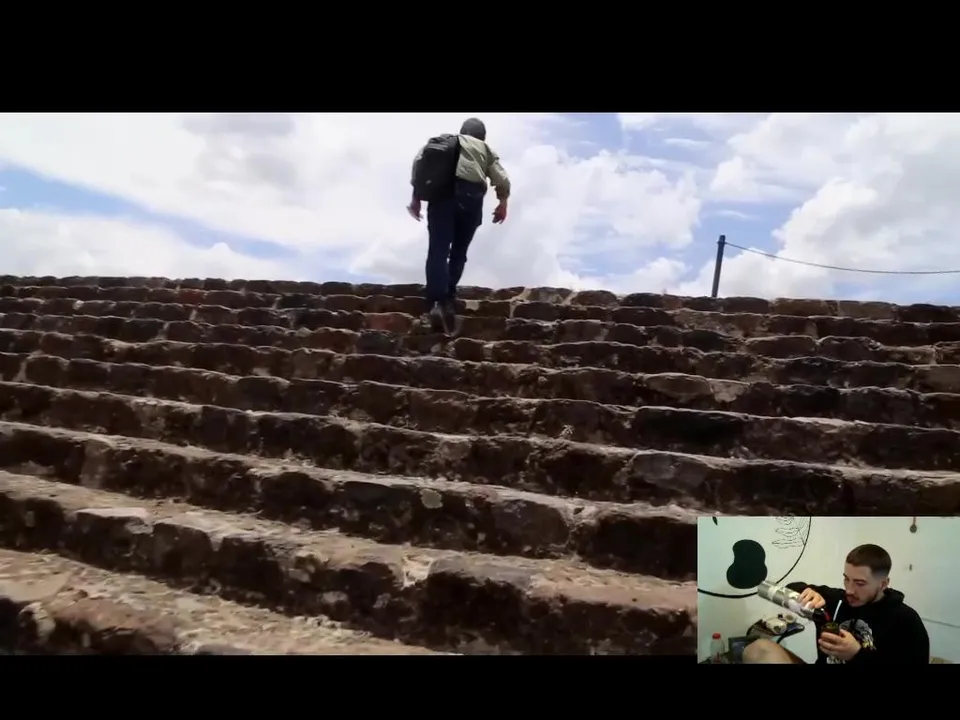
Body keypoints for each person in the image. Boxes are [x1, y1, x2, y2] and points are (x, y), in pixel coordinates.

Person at [407, 117, 511, 334]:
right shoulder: (484, 148)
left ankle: (436, 301)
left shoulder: (442, 143)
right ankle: (448, 298)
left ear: (462, 131)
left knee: (438, 250)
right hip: (470, 199)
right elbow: (502, 179)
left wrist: (416, 199)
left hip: (441, 197)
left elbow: (419, 166)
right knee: (459, 252)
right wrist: (503, 203)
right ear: (482, 136)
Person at [743, 543, 930, 664]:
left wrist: (857, 654)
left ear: (883, 584)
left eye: (859, 583)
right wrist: (807, 592)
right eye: (846, 579)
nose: (849, 590)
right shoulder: (836, 600)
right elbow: (792, 587)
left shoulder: (906, 620)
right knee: (758, 650)